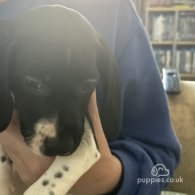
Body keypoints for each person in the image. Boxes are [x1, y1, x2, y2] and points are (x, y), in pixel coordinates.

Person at [0, 0, 181, 194]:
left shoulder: (110, 8)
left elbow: (160, 161)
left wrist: (107, 179)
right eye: (35, 84)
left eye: (86, 85)